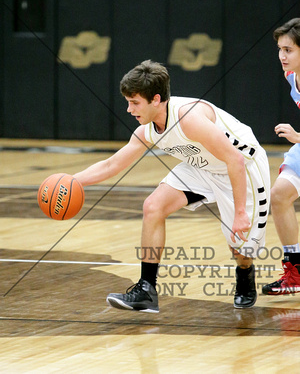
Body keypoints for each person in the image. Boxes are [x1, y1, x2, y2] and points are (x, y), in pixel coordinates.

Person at [74, 59, 270, 312]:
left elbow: (235, 159)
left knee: (240, 248)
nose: (128, 109)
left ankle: (245, 273)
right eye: (128, 102)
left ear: (156, 99)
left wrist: (241, 213)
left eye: (134, 102)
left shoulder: (188, 118)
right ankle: (147, 289)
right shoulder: (147, 130)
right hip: (201, 166)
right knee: (153, 206)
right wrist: (73, 180)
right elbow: (111, 165)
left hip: (243, 167)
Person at [262, 18, 300, 295]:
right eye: (280, 49)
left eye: (288, 50)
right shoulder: (291, 75)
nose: (282, 56)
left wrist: (297, 136)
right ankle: (296, 270)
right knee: (279, 195)